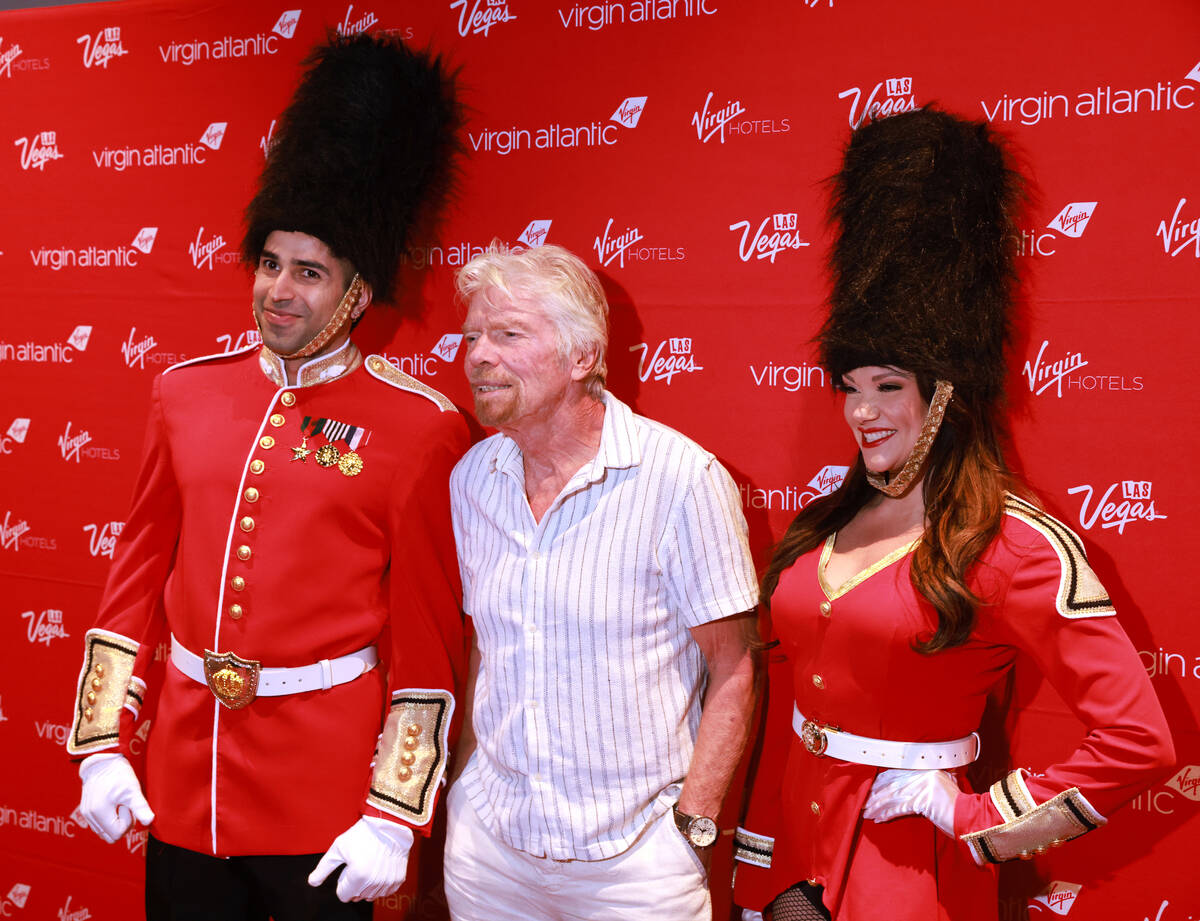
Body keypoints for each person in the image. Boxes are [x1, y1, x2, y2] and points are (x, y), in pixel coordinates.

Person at [732, 107, 1175, 921]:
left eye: (889, 386)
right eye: (851, 387)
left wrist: (977, 816)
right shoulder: (824, 524)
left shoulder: (1013, 544)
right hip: (792, 853)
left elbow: (1140, 742)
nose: (863, 412)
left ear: (944, 392)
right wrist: (754, 854)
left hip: (907, 864)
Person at [64, 33, 469, 919]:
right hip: (181, 780)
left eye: (310, 273)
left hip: (323, 807)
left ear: (358, 292)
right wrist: (101, 743)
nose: (279, 291)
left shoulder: (421, 428)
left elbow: (426, 641)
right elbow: (133, 578)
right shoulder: (185, 394)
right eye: (271, 263)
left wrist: (393, 815)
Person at [443, 243, 760, 921]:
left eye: (507, 334)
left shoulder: (682, 480)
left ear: (582, 356)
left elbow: (733, 667)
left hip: (636, 864)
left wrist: (694, 828)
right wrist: (461, 795)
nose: (476, 355)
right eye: (472, 335)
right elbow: (486, 649)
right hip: (491, 853)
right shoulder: (472, 480)